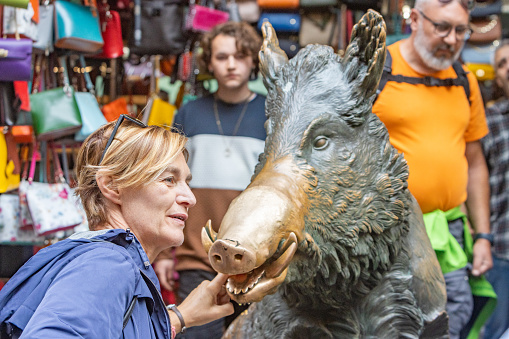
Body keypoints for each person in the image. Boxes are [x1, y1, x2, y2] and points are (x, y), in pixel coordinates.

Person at [0, 115, 234, 338]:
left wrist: (182, 317)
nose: (190, 198)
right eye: (169, 180)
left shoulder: (109, 262)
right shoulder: (108, 264)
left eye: (186, 182)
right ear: (112, 187)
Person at [372, 0, 494, 338]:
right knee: (389, 319)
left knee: (454, 309)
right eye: (442, 27)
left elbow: (474, 162)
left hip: (448, 230)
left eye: (461, 30)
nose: (452, 39)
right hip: (387, 232)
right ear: (414, 19)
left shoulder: (465, 79)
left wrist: (483, 236)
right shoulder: (377, 69)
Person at [152, 21, 266, 339]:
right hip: (197, 255)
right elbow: (166, 185)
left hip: (255, 256)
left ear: (253, 60)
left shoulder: (272, 113)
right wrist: (163, 254)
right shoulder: (189, 114)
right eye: (222, 56)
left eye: (240, 56)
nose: (231, 64)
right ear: (209, 63)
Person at [480, 39, 509, 339]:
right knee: (494, 331)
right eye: (501, 63)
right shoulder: (490, 121)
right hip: (502, 249)